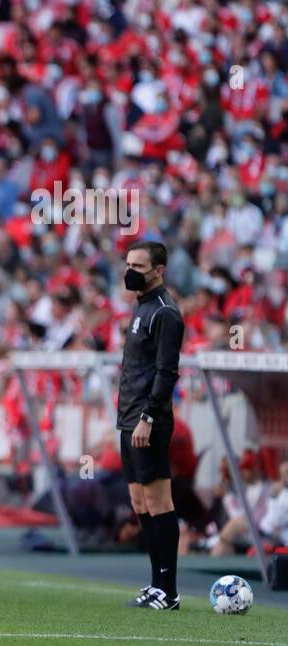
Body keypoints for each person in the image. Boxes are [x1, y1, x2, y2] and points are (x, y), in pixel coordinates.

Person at [118, 241, 186, 610]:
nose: (130, 271)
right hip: (128, 419)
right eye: (129, 263)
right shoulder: (141, 307)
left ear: (159, 270)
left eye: (139, 266)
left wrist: (147, 417)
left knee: (159, 502)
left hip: (149, 421)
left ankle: (169, 589)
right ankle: (155, 583)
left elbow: (166, 372)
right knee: (139, 501)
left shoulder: (165, 313)